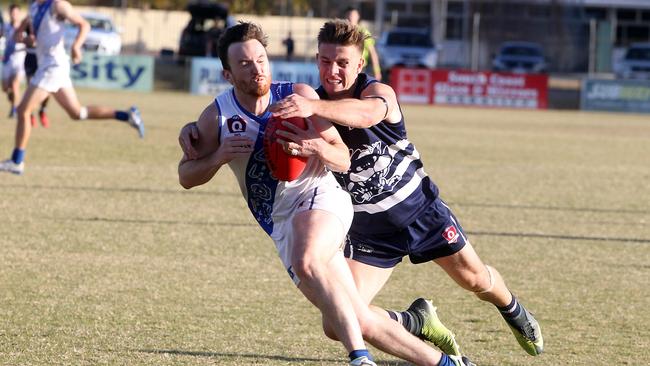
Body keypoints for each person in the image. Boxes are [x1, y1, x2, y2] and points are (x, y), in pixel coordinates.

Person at [178, 21, 471, 366]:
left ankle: (359, 359)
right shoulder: (217, 117)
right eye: (244, 63)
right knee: (350, 318)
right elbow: (186, 176)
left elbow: (342, 158)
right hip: (281, 223)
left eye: (261, 59)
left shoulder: (298, 96)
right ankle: (446, 361)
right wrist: (218, 156)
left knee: (308, 260)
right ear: (228, 74)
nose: (257, 68)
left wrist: (314, 147)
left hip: (321, 199)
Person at [267, 19, 545, 357]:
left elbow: (368, 115)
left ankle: (513, 309)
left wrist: (313, 107)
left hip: (420, 211)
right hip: (370, 232)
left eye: (343, 62)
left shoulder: (377, 93)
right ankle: (415, 320)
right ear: (316, 61)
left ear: (360, 64)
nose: (333, 71)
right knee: (336, 322)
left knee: (475, 280)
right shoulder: (309, 110)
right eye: (326, 61)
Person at [0, 0, 144, 176]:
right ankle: (127, 115)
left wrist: (76, 46)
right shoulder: (35, 7)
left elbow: (84, 25)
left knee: (23, 110)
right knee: (78, 113)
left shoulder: (57, 5)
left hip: (53, 66)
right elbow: (17, 35)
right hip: (50, 66)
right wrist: (27, 39)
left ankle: (16, 161)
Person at [1, 4, 26, 119]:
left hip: (20, 60)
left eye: (16, 13)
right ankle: (13, 100)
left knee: (15, 84)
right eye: (12, 13)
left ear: (19, 14)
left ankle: (14, 110)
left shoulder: (24, 27)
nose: (14, 15)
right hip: (7, 60)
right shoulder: (5, 27)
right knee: (6, 88)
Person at [344, 7, 381, 82]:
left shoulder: (363, 32)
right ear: (345, 16)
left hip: (359, 67)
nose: (351, 17)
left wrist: (377, 70)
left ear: (358, 17)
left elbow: (372, 52)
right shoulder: (342, 31)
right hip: (345, 66)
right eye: (349, 15)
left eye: (353, 15)